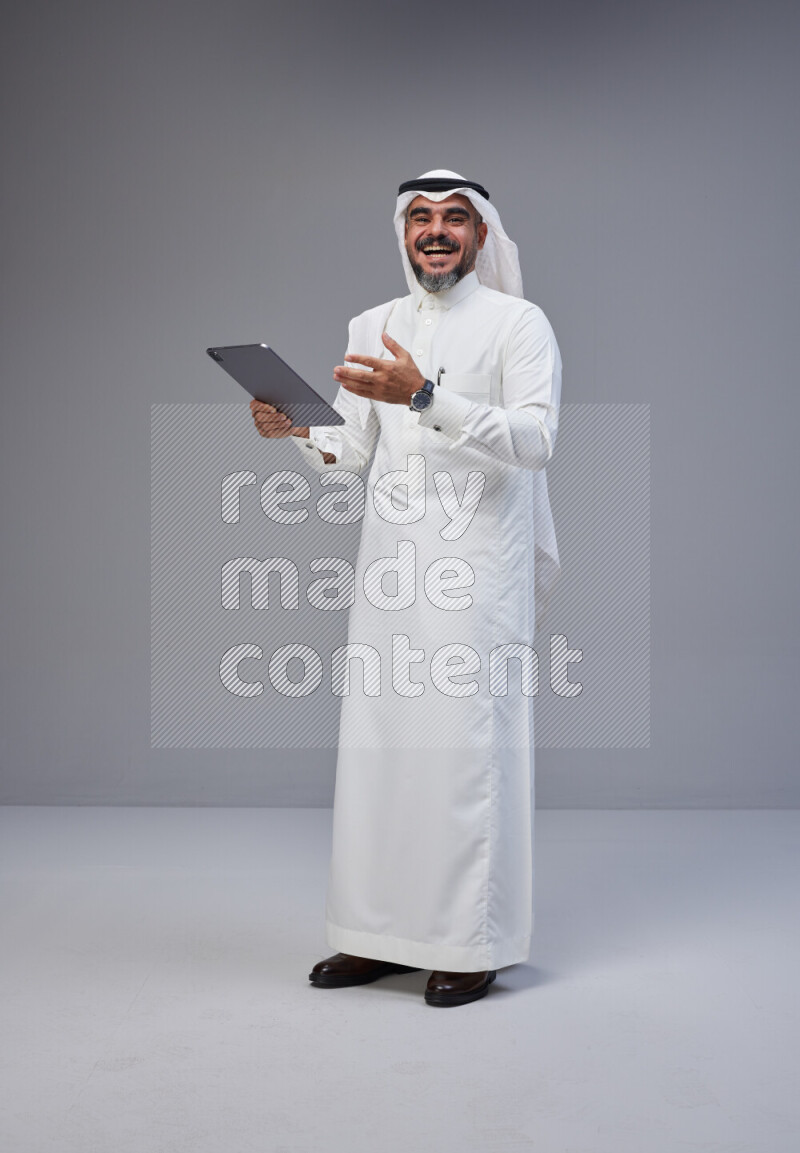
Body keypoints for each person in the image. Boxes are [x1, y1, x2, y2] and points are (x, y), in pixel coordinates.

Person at [251, 169, 562, 1007]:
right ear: (402, 232)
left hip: (478, 572)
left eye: (454, 219)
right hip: (390, 570)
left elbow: (536, 439)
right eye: (420, 217)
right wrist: (295, 427)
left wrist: (425, 394)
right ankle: (373, 935)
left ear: (481, 235)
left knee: (465, 757)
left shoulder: (517, 324)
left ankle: (470, 941)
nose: (435, 231)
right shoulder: (372, 324)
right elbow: (352, 451)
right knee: (381, 750)